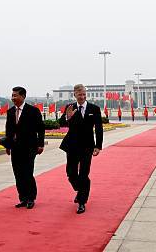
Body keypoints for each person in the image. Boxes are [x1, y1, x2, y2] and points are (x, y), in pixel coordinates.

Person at [59, 84, 104, 214]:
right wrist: (68, 117)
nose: (82, 96)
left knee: (84, 174)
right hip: (72, 145)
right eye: (80, 94)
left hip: (87, 146)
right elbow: (61, 123)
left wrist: (98, 146)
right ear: (75, 95)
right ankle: (81, 189)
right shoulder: (70, 107)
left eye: (84, 94)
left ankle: (82, 202)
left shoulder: (94, 109)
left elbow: (99, 128)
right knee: (71, 173)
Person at [5, 86, 45, 209]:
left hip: (29, 148)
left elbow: (41, 128)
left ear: (23, 96)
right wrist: (7, 145)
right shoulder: (10, 111)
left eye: (15, 95)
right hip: (15, 148)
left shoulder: (33, 111)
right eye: (12, 95)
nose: (13, 98)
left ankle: (31, 198)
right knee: (18, 174)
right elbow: (9, 130)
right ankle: (23, 198)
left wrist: (40, 144)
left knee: (27, 173)